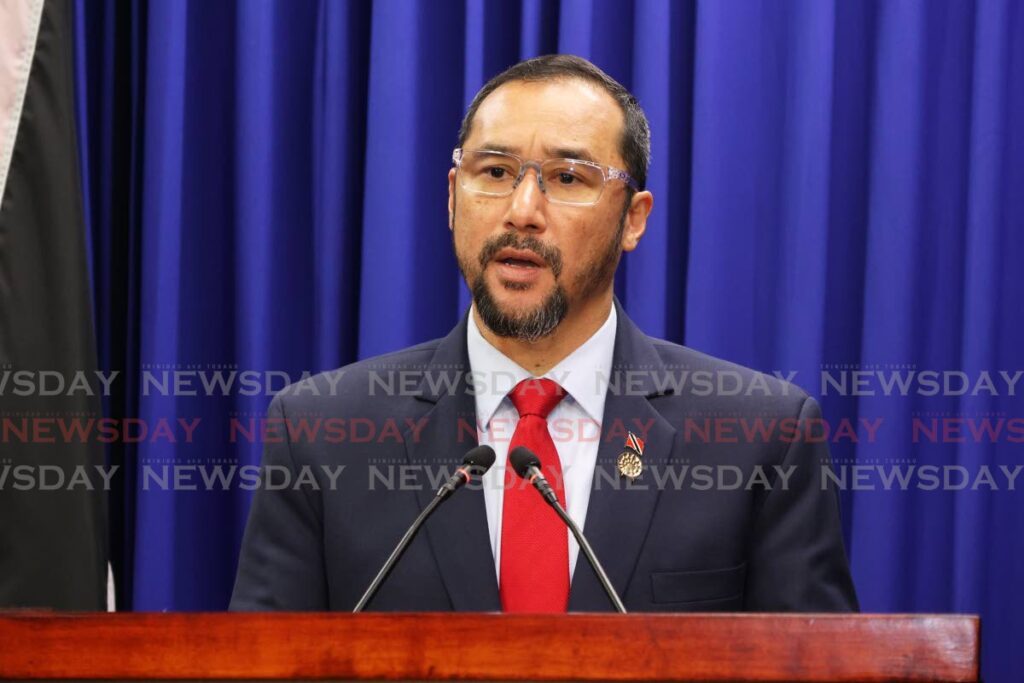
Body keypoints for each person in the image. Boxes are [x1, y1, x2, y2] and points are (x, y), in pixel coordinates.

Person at [230, 54, 858, 612]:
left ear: (634, 220)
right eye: (496, 172)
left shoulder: (759, 437)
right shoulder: (321, 433)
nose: (521, 212)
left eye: (567, 179)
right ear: (453, 197)